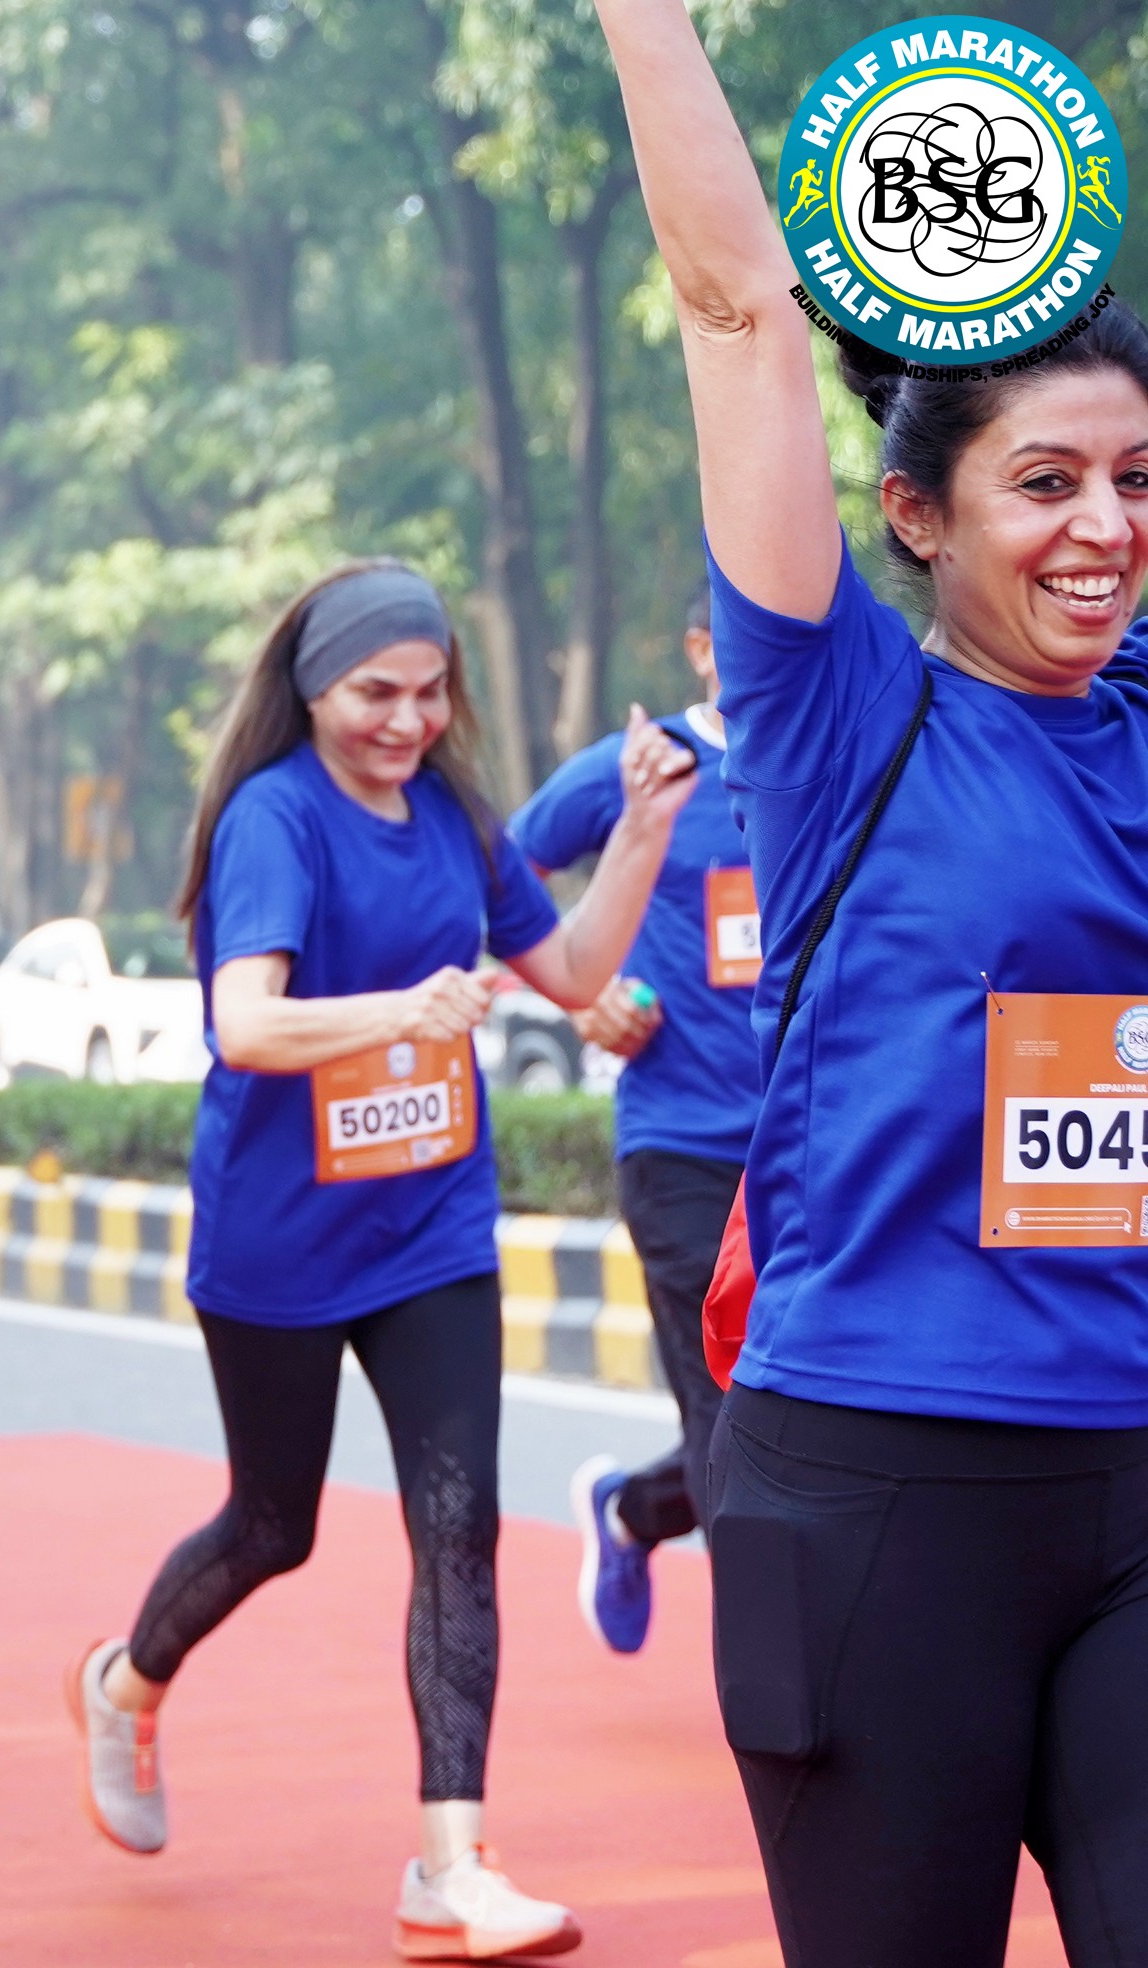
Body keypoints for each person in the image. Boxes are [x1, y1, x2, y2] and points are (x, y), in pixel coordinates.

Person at [596, 5, 1148, 1960]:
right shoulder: (843, 714)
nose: (1106, 528)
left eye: (1137, 479)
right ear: (918, 517)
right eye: (1047, 483)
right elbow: (737, 310)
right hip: (873, 1498)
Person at [63, 559, 690, 1960]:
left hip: (432, 1230)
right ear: (310, 690)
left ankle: (449, 1868)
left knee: (459, 1529)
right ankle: (124, 1682)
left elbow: (576, 973)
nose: (406, 721)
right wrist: (403, 1013)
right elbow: (246, 1025)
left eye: (429, 692)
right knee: (270, 1528)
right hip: (279, 1239)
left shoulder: (458, 818)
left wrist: (645, 829)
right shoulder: (274, 820)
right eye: (374, 694)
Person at [512, 588, 754, 1656]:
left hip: (821, 1150)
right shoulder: (644, 768)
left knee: (804, 1417)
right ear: (701, 648)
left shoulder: (841, 758)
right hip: (683, 1143)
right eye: (749, 634)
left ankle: (634, 1510)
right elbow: (498, 877)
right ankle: (776, 1690)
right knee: (732, 1417)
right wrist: (579, 991)